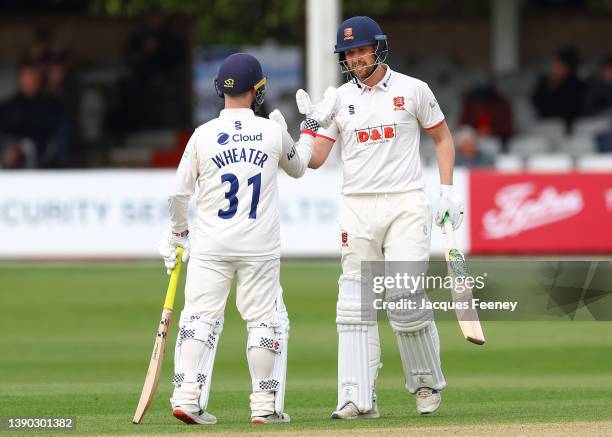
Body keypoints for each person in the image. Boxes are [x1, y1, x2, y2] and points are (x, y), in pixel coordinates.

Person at [158, 53, 336, 425]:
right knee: (263, 322)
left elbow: (178, 195)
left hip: (211, 245)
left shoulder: (202, 135)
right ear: (257, 90)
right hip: (258, 245)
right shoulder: (272, 131)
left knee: (199, 319)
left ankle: (187, 397)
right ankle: (263, 406)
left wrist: (178, 233)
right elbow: (301, 167)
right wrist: (310, 126)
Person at [303, 16, 463, 419]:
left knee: (405, 297)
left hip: (406, 203)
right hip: (356, 206)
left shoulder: (413, 89)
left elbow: (442, 138)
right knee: (353, 304)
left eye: (361, 50)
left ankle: (425, 385)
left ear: (378, 48)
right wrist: (307, 128)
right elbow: (317, 159)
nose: (356, 59)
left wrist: (447, 191)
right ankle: (357, 396)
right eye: (349, 53)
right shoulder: (338, 99)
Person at [531, 48, 585, 132]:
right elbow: (535, 100)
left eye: (560, 65)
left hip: (565, 129)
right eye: (555, 64)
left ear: (569, 67)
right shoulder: (545, 82)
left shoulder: (576, 85)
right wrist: (550, 86)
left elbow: (569, 110)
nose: (555, 67)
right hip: (543, 126)